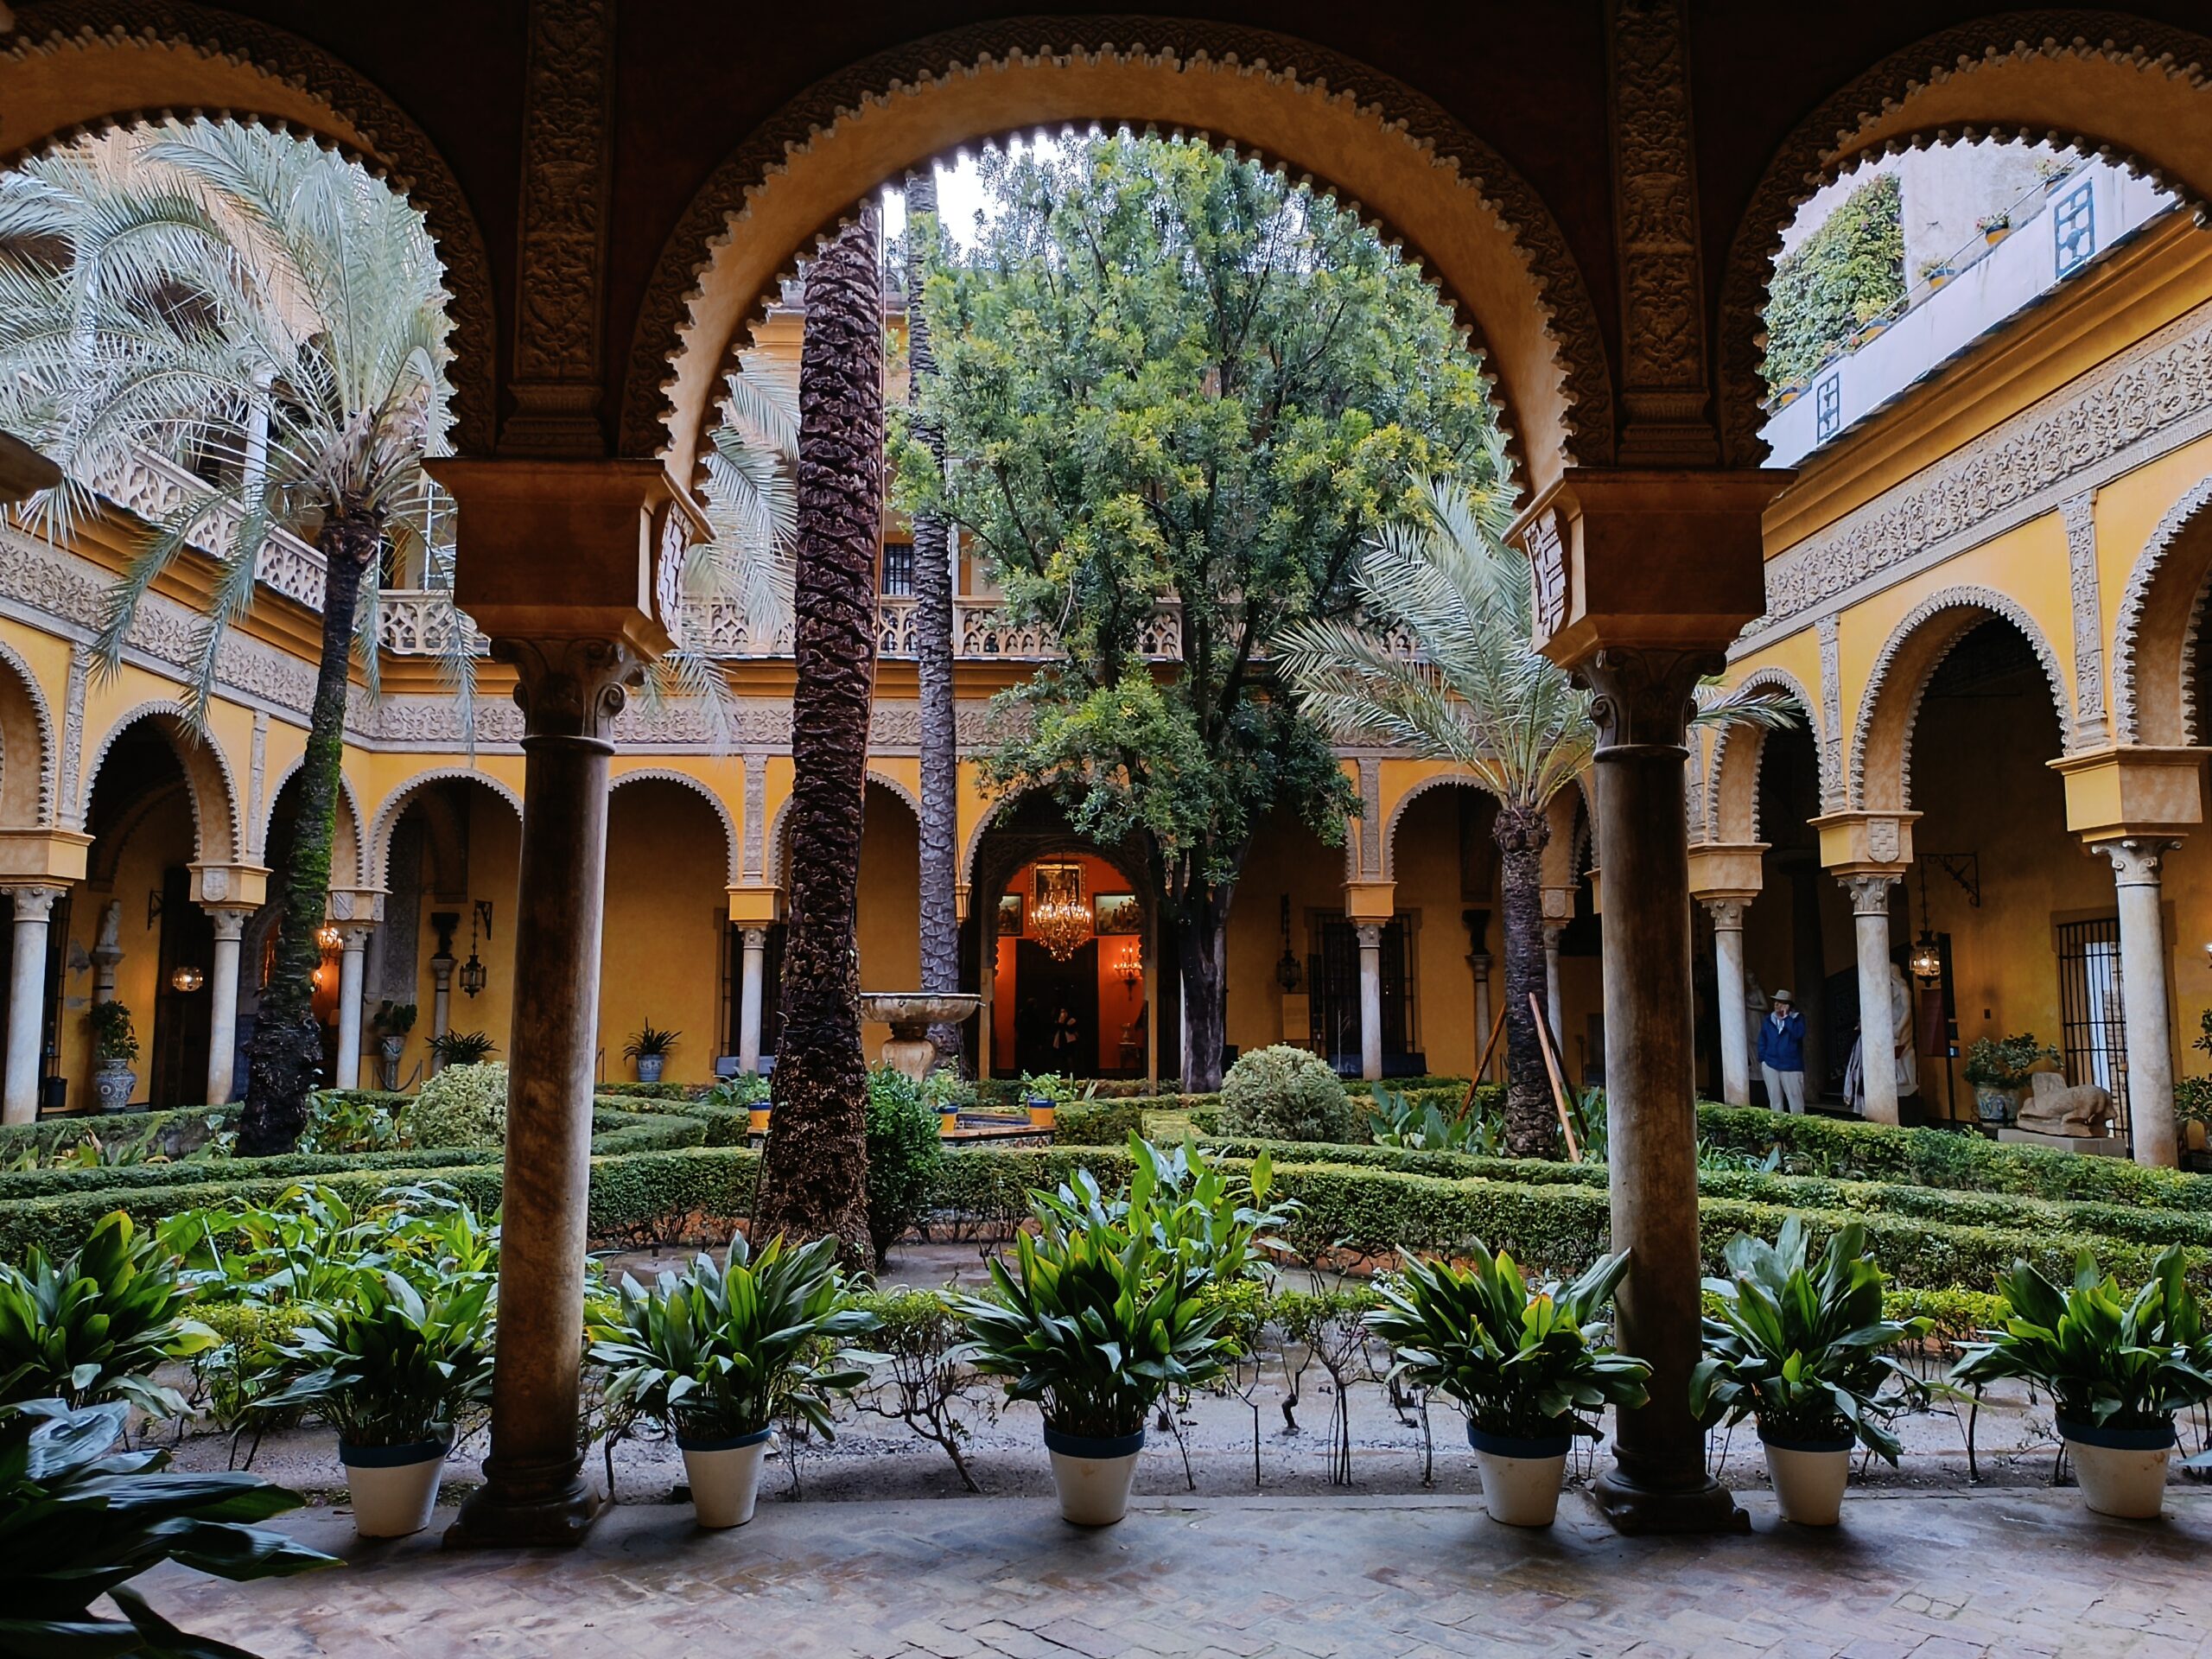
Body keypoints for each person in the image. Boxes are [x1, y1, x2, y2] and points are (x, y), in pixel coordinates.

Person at [1758, 988, 1808, 1115]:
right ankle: (1777, 1131)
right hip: (1770, 1063)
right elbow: (1762, 1039)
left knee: (1796, 1103)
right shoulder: (1768, 1020)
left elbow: (1798, 1034)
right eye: (1775, 1001)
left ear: (1788, 1005)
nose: (1776, 1004)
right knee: (1775, 1103)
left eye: (1780, 1002)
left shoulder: (1797, 1019)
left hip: (1791, 1065)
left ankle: (1798, 1131)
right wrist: (1762, 1058)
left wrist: (1786, 1018)